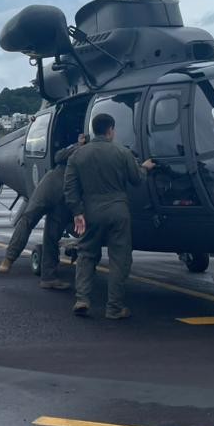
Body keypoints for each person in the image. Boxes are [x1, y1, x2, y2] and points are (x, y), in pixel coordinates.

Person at [63, 114, 155, 319]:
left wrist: (77, 211)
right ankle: (114, 307)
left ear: (94, 130)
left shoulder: (77, 155)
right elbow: (136, 179)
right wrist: (145, 168)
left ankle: (82, 299)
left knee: (86, 254)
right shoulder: (122, 153)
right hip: (118, 211)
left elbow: (69, 187)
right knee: (119, 259)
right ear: (111, 130)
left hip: (91, 211)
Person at [0, 134, 86, 290]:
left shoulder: (76, 148)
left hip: (51, 186)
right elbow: (59, 156)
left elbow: (58, 156)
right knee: (43, 229)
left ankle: (42, 274)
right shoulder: (87, 149)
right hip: (64, 192)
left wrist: (77, 146)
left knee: (36, 225)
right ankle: (12, 260)